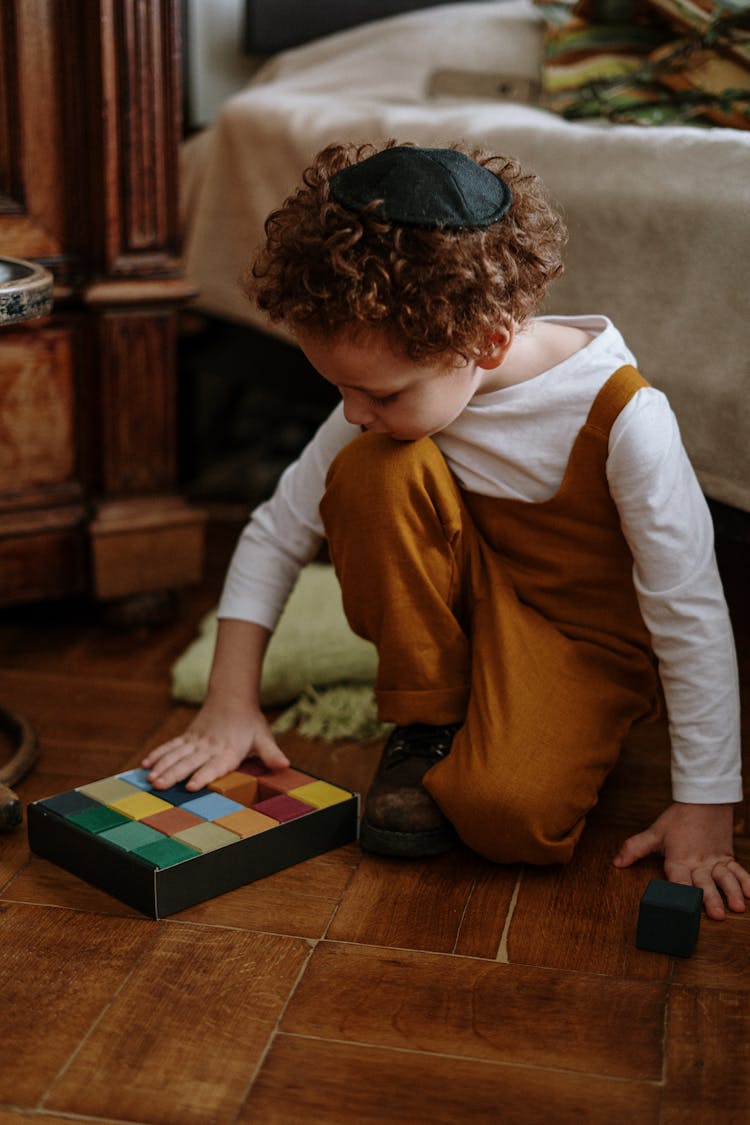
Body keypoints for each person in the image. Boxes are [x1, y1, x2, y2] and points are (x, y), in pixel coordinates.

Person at [143, 141, 749, 921]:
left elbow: (690, 609)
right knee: (372, 467)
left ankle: (542, 727)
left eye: (378, 393)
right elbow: (276, 529)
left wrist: (706, 802)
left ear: (487, 342)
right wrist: (231, 701)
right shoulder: (387, 389)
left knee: (509, 818)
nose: (354, 411)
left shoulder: (626, 418)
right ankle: (429, 719)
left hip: (580, 641)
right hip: (463, 605)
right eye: (340, 389)